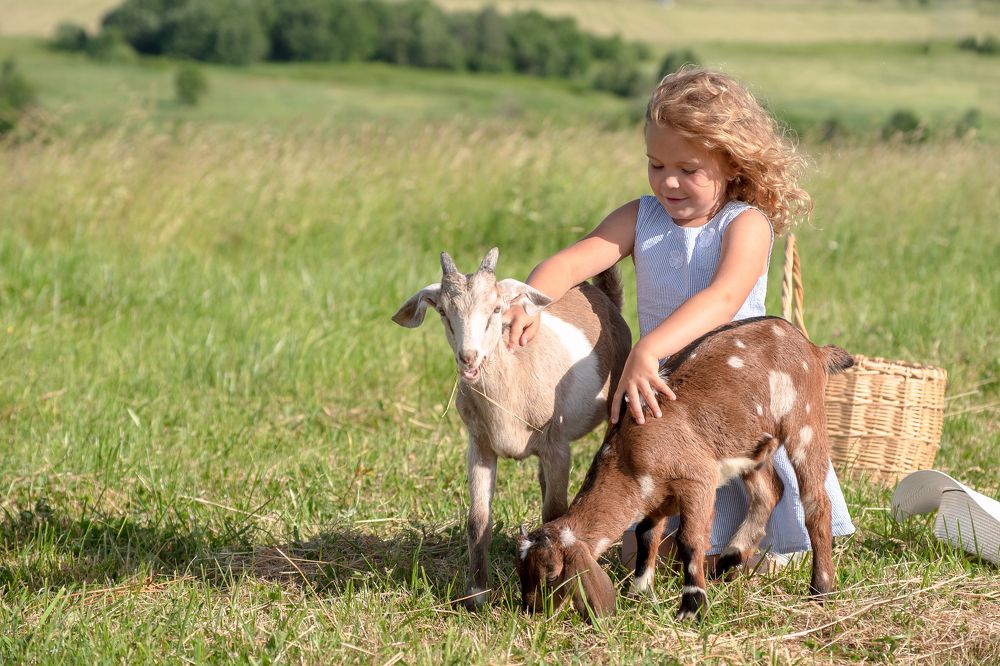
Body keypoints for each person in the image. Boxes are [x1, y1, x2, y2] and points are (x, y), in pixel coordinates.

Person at [505, 67, 854, 569]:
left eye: (689, 169)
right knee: (639, 548)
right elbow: (572, 261)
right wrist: (530, 298)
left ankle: (766, 544)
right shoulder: (641, 218)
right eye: (656, 164)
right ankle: (687, 548)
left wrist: (648, 349)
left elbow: (724, 297)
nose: (668, 181)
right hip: (663, 398)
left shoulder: (746, 224)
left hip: (736, 400)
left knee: (732, 527)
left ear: (731, 164)